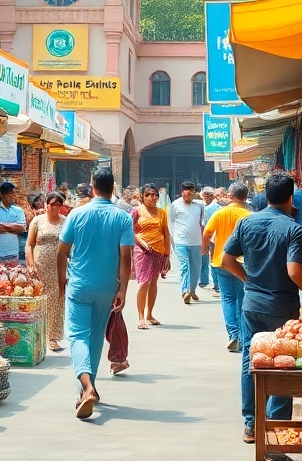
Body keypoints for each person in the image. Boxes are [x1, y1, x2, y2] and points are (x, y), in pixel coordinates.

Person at [221, 172, 302, 444]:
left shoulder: (246, 223)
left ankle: (251, 424)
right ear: (291, 198)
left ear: (266, 195)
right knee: (282, 364)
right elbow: (294, 270)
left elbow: (226, 259)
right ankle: (275, 426)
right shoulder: (294, 228)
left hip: (252, 304)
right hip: (281, 308)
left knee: (250, 360)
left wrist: (247, 280)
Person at [57, 170, 134, 419]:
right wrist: (123, 288)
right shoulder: (122, 217)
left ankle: (86, 386)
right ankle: (89, 388)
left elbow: (61, 252)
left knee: (78, 336)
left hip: (79, 284)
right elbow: (125, 256)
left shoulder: (76, 214)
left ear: (92, 186)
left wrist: (61, 282)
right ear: (113, 188)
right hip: (107, 287)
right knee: (96, 337)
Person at [205, 182, 253, 351]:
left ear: (231, 196)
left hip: (221, 262)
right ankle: (240, 335)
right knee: (242, 298)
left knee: (227, 298)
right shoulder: (249, 214)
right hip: (242, 263)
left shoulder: (220, 213)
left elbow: (207, 233)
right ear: (245, 197)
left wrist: (205, 248)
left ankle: (233, 334)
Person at [27, 191, 68, 351]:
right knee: (38, 299)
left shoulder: (65, 222)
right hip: (40, 265)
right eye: (52, 205)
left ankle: (53, 337)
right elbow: (29, 244)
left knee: (57, 301)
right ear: (46, 205)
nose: (55, 208)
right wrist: (31, 264)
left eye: (58, 205)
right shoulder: (37, 221)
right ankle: (38, 335)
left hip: (59, 267)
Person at [131, 184, 170, 329]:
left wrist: (167, 255)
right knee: (143, 282)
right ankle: (141, 317)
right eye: (148, 195)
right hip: (142, 251)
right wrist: (141, 243)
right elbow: (130, 231)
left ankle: (150, 314)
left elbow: (166, 233)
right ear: (142, 197)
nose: (152, 198)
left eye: (154, 195)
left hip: (159, 251)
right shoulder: (136, 212)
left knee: (154, 281)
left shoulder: (162, 213)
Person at [170, 181, 206, 304]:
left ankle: (192, 290)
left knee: (196, 268)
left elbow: (203, 223)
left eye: (192, 190)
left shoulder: (200, 205)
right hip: (181, 241)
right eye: (187, 190)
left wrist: (204, 242)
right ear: (182, 192)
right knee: (185, 266)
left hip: (196, 241)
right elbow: (171, 222)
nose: (190, 193)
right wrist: (174, 238)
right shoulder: (175, 205)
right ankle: (185, 291)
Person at [0, 181, 26, 273]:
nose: (13, 197)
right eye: (10, 194)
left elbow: (21, 228)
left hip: (12, 253)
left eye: (14, 194)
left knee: (10, 284)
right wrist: (13, 226)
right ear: (2, 195)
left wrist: (0, 224)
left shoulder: (18, 211)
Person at [198, 187, 217, 289]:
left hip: (213, 236)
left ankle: (216, 284)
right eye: (205, 194)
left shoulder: (217, 207)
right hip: (203, 235)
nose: (206, 196)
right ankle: (204, 280)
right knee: (204, 258)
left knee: (214, 260)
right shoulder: (200, 206)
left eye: (209, 194)